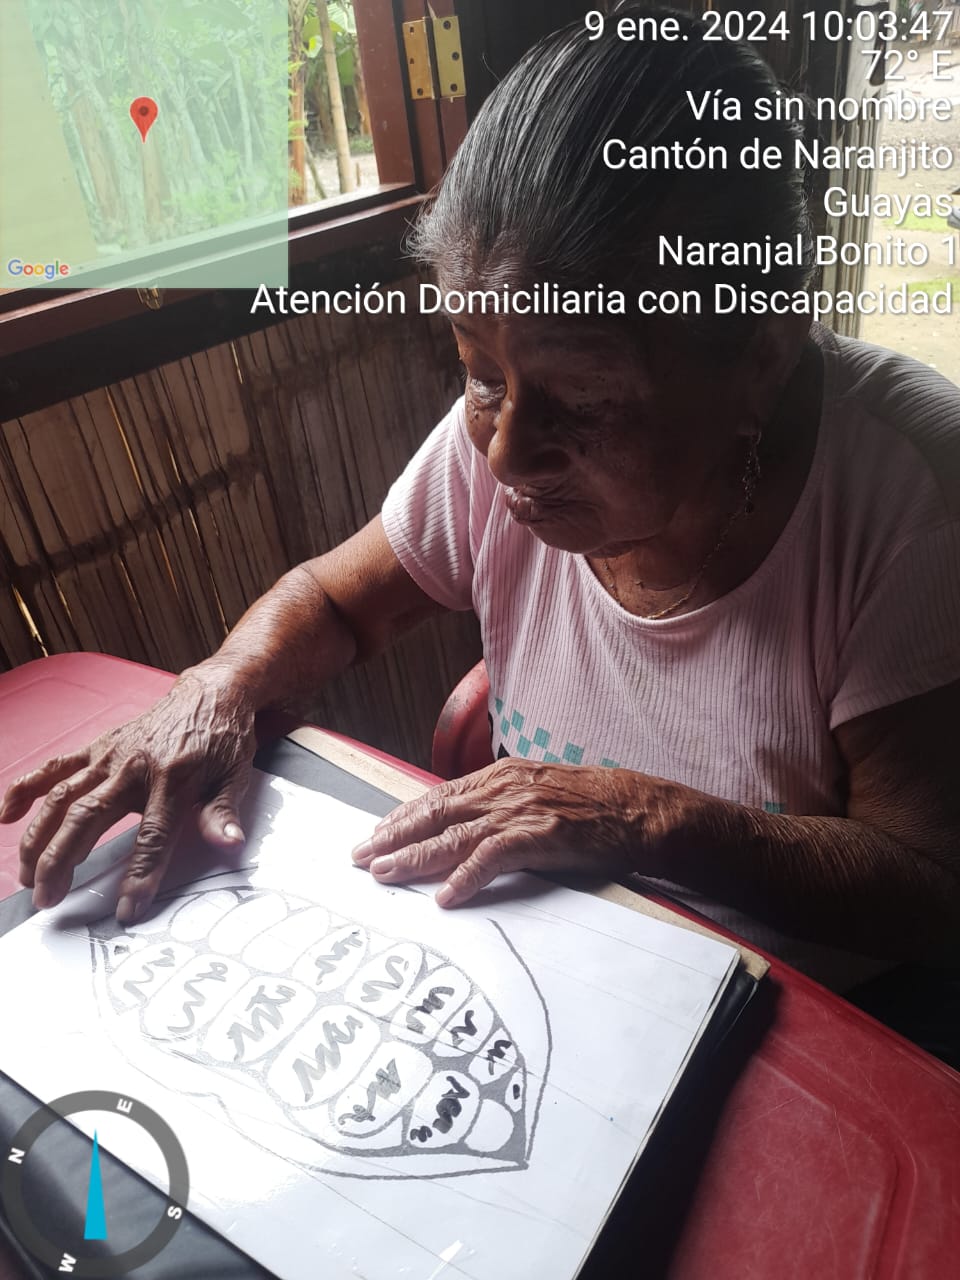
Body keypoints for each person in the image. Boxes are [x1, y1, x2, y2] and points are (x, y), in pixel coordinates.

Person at [2, 4, 959, 1059]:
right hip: (556, 953)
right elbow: (334, 599)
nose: (503, 453)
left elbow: (929, 888)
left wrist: (646, 818)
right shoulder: (506, 427)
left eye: (584, 399)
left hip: (814, 1028)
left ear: (761, 355)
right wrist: (219, 684)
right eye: (477, 373)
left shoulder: (910, 494)